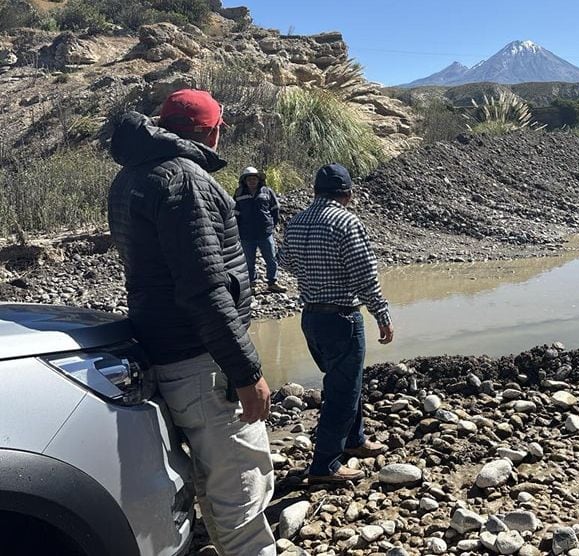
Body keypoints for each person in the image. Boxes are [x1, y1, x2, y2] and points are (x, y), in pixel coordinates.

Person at [107, 89, 276, 556]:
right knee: (242, 493)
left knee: (204, 480)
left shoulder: (130, 178)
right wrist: (247, 373)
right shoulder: (185, 180)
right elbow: (203, 288)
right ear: (210, 131)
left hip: (161, 349)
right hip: (204, 362)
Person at [279, 163, 394, 483]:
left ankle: (354, 441)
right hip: (342, 317)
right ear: (348, 193)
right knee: (343, 391)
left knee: (346, 381)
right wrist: (382, 314)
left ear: (315, 191)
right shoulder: (346, 221)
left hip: (311, 318)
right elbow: (365, 276)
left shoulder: (298, 221)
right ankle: (325, 464)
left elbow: (285, 262)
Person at [234, 167, 286, 294]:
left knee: (271, 258)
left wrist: (271, 224)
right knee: (248, 261)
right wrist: (238, 230)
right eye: (249, 179)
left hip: (265, 232)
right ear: (245, 181)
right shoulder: (239, 193)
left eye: (254, 179)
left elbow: (275, 209)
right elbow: (235, 214)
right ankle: (251, 284)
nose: (252, 181)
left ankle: (272, 283)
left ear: (259, 180)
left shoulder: (267, 191)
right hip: (246, 234)